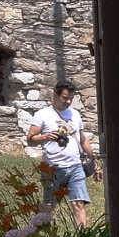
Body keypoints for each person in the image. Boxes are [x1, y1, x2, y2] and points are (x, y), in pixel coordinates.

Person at [26, 80, 94, 227]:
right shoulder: (42, 115)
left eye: (71, 98)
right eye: (65, 98)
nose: (68, 101)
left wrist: (95, 163)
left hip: (76, 166)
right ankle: (34, 235)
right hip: (52, 168)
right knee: (49, 206)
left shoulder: (75, 114)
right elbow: (30, 139)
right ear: (56, 95)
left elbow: (83, 141)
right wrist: (45, 137)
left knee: (79, 203)